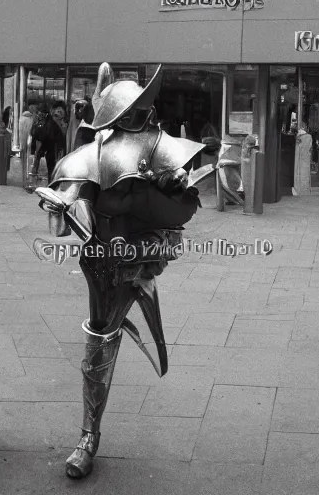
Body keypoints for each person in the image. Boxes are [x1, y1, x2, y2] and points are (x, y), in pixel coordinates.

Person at [35, 63, 204, 479]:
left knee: (101, 341)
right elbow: (63, 215)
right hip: (99, 262)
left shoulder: (160, 149)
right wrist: (63, 203)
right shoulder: (92, 154)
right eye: (127, 114)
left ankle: (87, 437)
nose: (136, 121)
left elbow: (184, 208)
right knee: (99, 337)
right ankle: (89, 434)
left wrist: (172, 186)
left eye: (139, 112)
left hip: (138, 259)